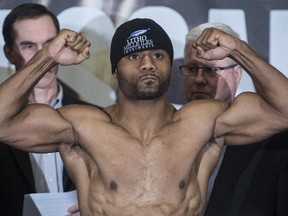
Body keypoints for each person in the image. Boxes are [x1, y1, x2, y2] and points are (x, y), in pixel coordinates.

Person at [0, 18, 288, 216]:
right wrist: (47, 55)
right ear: (115, 69)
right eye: (134, 57)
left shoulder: (202, 122)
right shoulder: (82, 126)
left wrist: (238, 49)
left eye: (158, 55)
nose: (148, 63)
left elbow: (283, 110)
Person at [0, 3, 101, 216]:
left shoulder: (96, 117)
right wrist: (46, 56)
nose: (45, 56)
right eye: (29, 46)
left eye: (49, 44)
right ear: (8, 53)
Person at [182, 22, 288, 216]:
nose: (198, 79)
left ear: (237, 74)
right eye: (191, 68)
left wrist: (237, 49)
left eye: (211, 70)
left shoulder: (271, 138)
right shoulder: (170, 132)